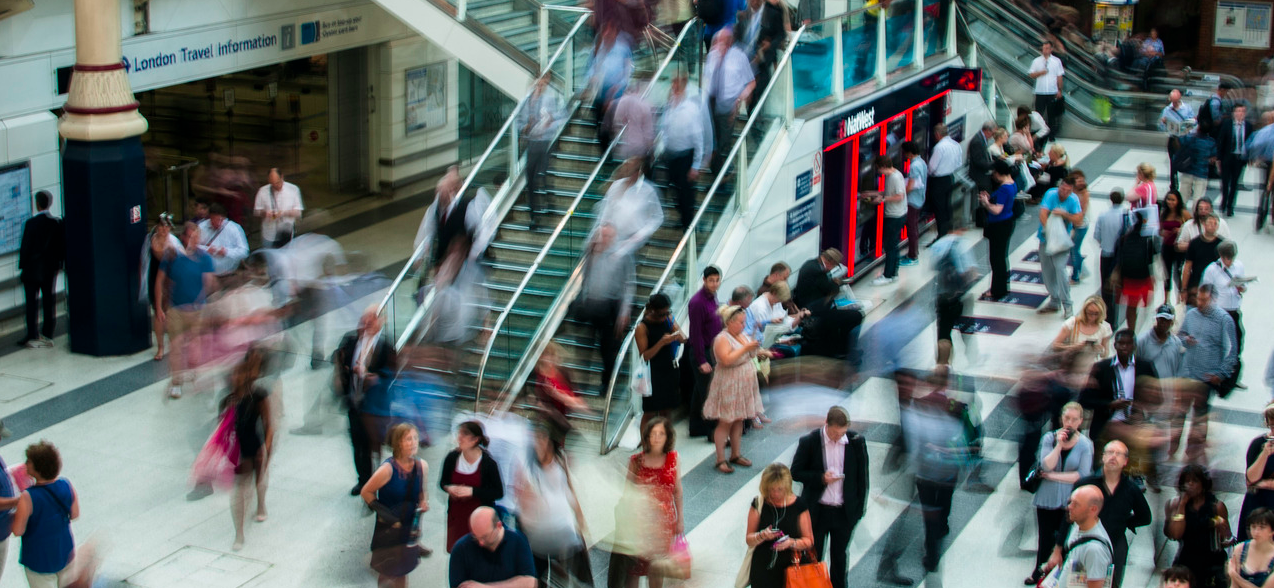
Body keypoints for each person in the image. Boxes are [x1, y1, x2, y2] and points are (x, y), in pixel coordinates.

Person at [1050, 441, 1152, 588]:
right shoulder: (1086, 484)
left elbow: (1145, 517)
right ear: (1103, 457)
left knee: (1112, 583)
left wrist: (1126, 521)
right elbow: (1069, 517)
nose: (1113, 457)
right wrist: (1058, 549)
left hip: (1115, 543)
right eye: (1110, 452)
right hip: (1085, 542)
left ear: (1125, 461)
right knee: (1077, 584)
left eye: (1119, 454)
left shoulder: (1131, 489)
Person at [790, 406, 869, 588]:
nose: (838, 437)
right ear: (827, 424)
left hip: (844, 512)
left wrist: (858, 512)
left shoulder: (856, 442)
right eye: (834, 433)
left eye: (842, 433)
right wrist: (820, 478)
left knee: (840, 557)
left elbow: (862, 479)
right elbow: (796, 472)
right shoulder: (810, 442)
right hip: (818, 511)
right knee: (812, 556)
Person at [325, 308, 397, 494]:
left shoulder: (385, 346)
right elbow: (337, 357)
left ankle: (378, 480)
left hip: (374, 406)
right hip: (354, 401)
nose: (367, 323)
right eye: (364, 319)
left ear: (381, 321)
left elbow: (392, 374)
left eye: (372, 319)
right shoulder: (350, 340)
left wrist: (372, 377)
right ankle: (363, 480)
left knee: (374, 445)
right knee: (357, 443)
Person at [1026, 402, 1094, 585]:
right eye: (1066, 418)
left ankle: (1059, 574)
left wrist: (1052, 476)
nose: (1069, 423)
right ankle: (1039, 570)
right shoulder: (1049, 438)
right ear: (1061, 418)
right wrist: (1059, 445)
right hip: (1046, 497)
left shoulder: (1085, 445)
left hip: (1069, 500)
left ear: (1080, 421)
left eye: (1074, 419)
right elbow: (1046, 463)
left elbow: (1082, 475)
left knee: (1063, 539)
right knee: (1044, 537)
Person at [516, 425, 592, 588]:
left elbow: (569, 489)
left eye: (543, 439)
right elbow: (523, 499)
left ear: (550, 441)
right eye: (536, 439)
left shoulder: (560, 460)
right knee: (540, 575)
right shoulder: (528, 467)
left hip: (563, 528)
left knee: (572, 574)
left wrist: (580, 517)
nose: (540, 443)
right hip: (539, 532)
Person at [703, 305, 771, 473]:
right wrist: (746, 348)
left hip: (744, 382)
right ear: (729, 322)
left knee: (739, 419)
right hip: (729, 382)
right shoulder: (722, 338)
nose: (743, 325)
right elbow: (726, 360)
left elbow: (749, 354)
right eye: (740, 322)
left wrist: (759, 351)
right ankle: (720, 459)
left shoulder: (742, 335)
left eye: (744, 322)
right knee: (725, 421)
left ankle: (735, 453)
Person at [361, 423, 429, 587]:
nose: (413, 443)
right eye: (408, 439)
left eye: (415, 438)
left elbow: (422, 493)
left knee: (403, 572)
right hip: (388, 531)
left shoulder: (422, 466)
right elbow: (366, 492)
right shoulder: (387, 469)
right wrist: (386, 515)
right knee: (387, 572)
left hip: (407, 529)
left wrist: (423, 502)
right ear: (398, 443)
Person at [620, 417, 684, 588]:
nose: (656, 438)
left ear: (667, 437)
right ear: (646, 437)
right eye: (653, 434)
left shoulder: (673, 458)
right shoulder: (636, 461)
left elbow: (677, 491)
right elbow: (627, 493)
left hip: (663, 526)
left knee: (657, 568)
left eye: (661, 434)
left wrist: (680, 519)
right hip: (639, 524)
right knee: (634, 568)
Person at [156, 222, 218, 399]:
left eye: (197, 236)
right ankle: (176, 382)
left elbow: (209, 283)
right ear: (184, 237)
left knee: (196, 346)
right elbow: (160, 280)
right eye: (191, 236)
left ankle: (195, 371)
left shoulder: (204, 258)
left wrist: (201, 302)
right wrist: (160, 307)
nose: (194, 240)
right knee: (175, 347)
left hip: (198, 310)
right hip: (176, 309)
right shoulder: (172, 256)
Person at [1178, 284, 1239, 462]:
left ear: (1213, 299)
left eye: (1204, 300)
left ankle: (1193, 450)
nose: (1200, 303)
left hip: (1206, 378)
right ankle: (1173, 444)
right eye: (1198, 298)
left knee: (1200, 415)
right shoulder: (1191, 315)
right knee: (1179, 412)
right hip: (1188, 373)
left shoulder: (1224, 320)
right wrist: (1185, 339)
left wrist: (1221, 373)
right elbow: (1180, 334)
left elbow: (1231, 351)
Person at [578, 223, 638, 396]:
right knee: (586, 344)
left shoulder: (622, 254)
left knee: (607, 347)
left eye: (607, 236)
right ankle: (583, 383)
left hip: (611, 305)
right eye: (602, 235)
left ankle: (607, 384)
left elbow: (629, 283)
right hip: (591, 303)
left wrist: (625, 311)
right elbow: (585, 276)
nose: (604, 239)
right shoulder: (592, 252)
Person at [224, 347, 274, 551]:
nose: (236, 377)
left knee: (259, 479)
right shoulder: (228, 400)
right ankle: (239, 533)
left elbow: (268, 425)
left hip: (255, 444)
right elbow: (223, 429)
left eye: (240, 373)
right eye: (234, 374)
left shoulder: (258, 395)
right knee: (238, 490)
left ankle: (261, 503)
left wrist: (267, 448)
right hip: (238, 449)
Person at [12, 441, 78, 588]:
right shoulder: (66, 484)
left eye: (28, 461)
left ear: (37, 468)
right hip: (64, 552)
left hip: (39, 559)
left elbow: (18, 530)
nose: (25, 464)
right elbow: (75, 514)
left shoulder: (28, 497)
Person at [1080, 330, 1158, 447]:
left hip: (1135, 428)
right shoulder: (1101, 368)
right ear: (1114, 345)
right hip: (1106, 427)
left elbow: (1156, 395)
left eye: (1128, 344)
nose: (1124, 347)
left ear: (1134, 345)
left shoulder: (1145, 367)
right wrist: (1110, 404)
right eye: (1121, 343)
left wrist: (1142, 411)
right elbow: (1085, 399)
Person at [743, 464, 814, 588]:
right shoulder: (758, 504)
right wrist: (762, 535)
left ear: (786, 487)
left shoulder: (799, 506)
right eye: (771, 489)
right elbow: (749, 539)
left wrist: (792, 543)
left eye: (779, 489)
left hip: (792, 568)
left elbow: (809, 540)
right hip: (762, 568)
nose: (775, 494)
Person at [412, 166, 493, 272]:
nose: (440, 196)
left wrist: (474, 254)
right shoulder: (435, 208)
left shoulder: (468, 205)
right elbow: (427, 232)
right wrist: (419, 256)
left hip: (462, 262)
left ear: (453, 190)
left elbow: (483, 230)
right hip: (444, 260)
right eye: (439, 192)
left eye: (443, 192)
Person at [440, 421, 505, 553]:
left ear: (475, 439)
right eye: (459, 434)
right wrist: (449, 488)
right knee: (458, 552)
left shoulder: (488, 463)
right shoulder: (452, 458)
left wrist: (472, 491)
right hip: (457, 516)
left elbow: (498, 492)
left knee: (477, 552)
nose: (459, 438)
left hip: (480, 519)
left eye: (464, 435)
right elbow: (443, 482)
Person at [660, 71, 710, 231]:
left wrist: (696, 165)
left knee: (686, 193)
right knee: (675, 190)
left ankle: (689, 225)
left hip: (686, 156)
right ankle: (683, 219)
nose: (673, 87)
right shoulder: (670, 105)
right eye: (673, 84)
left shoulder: (690, 109)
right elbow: (664, 128)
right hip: (671, 155)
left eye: (676, 84)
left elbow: (698, 138)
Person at [1165, 465, 1231, 588]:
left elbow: (1226, 536)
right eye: (1187, 481)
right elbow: (1175, 534)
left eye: (1194, 481)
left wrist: (1221, 527)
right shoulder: (1175, 504)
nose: (1190, 484)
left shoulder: (1216, 506)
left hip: (1212, 562)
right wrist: (1182, 505)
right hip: (1187, 559)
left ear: (1203, 484)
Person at [1040, 486, 1113, 588]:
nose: (1069, 507)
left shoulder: (1095, 550)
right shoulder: (1077, 525)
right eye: (1070, 502)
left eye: (1076, 504)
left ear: (1093, 509)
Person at [17, 191, 63, 350]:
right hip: (50, 270)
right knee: (48, 300)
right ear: (49, 203)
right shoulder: (56, 223)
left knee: (31, 303)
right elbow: (60, 247)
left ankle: (32, 333)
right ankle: (48, 332)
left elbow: (25, 248)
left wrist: (22, 266)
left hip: (32, 270)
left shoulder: (31, 224)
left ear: (37, 204)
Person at [448, 507, 536, 588]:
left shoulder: (518, 540)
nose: (480, 542)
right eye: (475, 536)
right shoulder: (461, 548)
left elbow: (530, 583)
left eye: (484, 537)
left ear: (498, 526)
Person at [704, 29, 755, 169]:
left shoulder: (739, 57)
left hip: (730, 104)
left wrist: (740, 100)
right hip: (711, 102)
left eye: (723, 40)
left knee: (723, 143)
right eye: (718, 40)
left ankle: (722, 172)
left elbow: (751, 82)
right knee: (713, 141)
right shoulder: (712, 55)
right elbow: (707, 79)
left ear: (730, 41)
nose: (719, 44)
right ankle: (718, 170)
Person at [635, 294, 685, 432]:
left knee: (667, 410)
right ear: (653, 311)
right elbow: (645, 356)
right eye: (662, 313)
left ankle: (666, 445)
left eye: (668, 312)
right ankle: (646, 448)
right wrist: (661, 343)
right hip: (652, 373)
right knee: (650, 412)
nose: (665, 316)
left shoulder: (668, 320)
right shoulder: (642, 327)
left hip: (668, 369)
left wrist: (674, 326)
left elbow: (683, 339)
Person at [1199, 239, 1246, 383]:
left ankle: (1232, 377)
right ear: (1221, 255)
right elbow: (1205, 290)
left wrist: (1242, 288)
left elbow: (1243, 285)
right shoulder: (1212, 270)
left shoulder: (1239, 266)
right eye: (1227, 258)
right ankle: (1213, 374)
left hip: (1234, 310)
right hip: (1219, 313)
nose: (1230, 261)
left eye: (1232, 258)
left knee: (1237, 341)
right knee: (1218, 345)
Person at [1037, 174, 1084, 318]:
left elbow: (1078, 219)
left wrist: (1065, 214)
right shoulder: (1051, 194)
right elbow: (1043, 214)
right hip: (1046, 239)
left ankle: (1067, 303)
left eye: (1067, 191)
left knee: (1060, 269)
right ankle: (1054, 299)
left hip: (1062, 241)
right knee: (1047, 270)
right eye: (1062, 190)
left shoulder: (1073, 200)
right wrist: (1050, 231)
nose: (1063, 193)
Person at [931, 227, 979, 367]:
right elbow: (970, 271)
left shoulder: (937, 245)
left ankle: (943, 362)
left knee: (944, 330)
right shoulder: (961, 244)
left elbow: (933, 268)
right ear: (959, 229)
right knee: (966, 328)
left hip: (942, 296)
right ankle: (972, 357)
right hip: (960, 296)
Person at [519, 73, 563, 223]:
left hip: (544, 142)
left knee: (543, 174)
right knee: (530, 178)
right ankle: (534, 215)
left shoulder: (548, 100)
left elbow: (557, 118)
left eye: (541, 86)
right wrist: (525, 127)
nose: (538, 88)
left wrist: (549, 122)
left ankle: (549, 203)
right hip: (532, 143)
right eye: (536, 85)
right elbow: (518, 122)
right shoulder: (526, 102)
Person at [687, 266, 724, 439]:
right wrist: (702, 359)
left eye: (717, 280)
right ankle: (713, 431)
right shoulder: (697, 302)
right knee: (709, 392)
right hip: (702, 351)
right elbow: (696, 334)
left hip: (713, 349)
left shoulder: (712, 297)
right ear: (704, 280)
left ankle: (696, 427)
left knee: (699, 389)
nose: (715, 284)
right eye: (711, 280)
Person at [140, 214, 182, 361]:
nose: (164, 229)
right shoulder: (150, 238)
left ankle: (174, 344)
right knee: (158, 311)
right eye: (162, 226)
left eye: (167, 226)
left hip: (170, 278)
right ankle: (160, 347)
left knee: (171, 312)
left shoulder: (174, 243)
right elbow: (144, 260)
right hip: (154, 275)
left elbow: (180, 264)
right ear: (157, 226)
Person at [979, 159, 1017, 301]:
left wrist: (986, 203)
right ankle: (1001, 287)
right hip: (1007, 222)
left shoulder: (1004, 189)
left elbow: (996, 210)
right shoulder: (1012, 184)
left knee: (996, 259)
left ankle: (997, 290)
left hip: (999, 225)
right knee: (1001, 257)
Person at [869, 155, 908, 286]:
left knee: (890, 246)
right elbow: (888, 192)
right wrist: (871, 193)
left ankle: (888, 275)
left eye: (879, 169)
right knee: (894, 245)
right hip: (899, 214)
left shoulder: (895, 177)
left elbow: (899, 196)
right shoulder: (895, 175)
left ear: (883, 167)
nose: (878, 172)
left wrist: (883, 200)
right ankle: (893, 273)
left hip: (894, 216)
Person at [1117, 210, 1158, 332]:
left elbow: (1120, 258)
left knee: (1131, 307)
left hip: (1129, 278)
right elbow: (1151, 260)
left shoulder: (1125, 238)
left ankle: (1131, 330)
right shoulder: (1148, 239)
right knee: (1146, 305)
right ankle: (1141, 330)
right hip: (1143, 277)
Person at [1238, 405, 1274, 542]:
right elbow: (1251, 480)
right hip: (1258, 501)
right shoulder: (1258, 443)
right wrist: (1264, 454)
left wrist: (1266, 483)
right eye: (1271, 426)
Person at [1094, 189, 1128, 327]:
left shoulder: (1103, 216)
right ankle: (1118, 317)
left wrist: (1105, 242)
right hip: (1122, 256)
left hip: (1107, 254)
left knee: (1106, 289)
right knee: (1119, 287)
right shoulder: (1127, 215)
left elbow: (1097, 235)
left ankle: (1109, 320)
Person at [927, 123, 962, 239]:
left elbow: (931, 168)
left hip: (938, 181)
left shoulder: (939, 147)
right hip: (949, 179)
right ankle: (948, 231)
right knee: (947, 206)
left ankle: (941, 235)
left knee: (939, 209)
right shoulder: (956, 145)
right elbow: (959, 163)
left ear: (937, 134)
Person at [253, 168, 303, 248]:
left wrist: (283, 213)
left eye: (277, 183)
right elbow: (256, 211)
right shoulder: (262, 191)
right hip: (269, 234)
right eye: (272, 184)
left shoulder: (293, 189)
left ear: (282, 177)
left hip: (286, 233)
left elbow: (298, 212)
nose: (275, 186)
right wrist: (265, 213)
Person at [1180, 214, 1222, 306]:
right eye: (1210, 223)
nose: (1212, 225)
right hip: (1196, 283)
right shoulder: (1195, 243)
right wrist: (1184, 289)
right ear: (1204, 224)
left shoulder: (1221, 244)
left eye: (1215, 223)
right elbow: (1187, 266)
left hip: (1215, 286)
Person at [197, 203, 249, 276]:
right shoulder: (202, 227)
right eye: (213, 220)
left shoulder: (234, 228)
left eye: (219, 220)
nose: (217, 223)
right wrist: (206, 250)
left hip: (228, 272)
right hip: (206, 273)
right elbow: (193, 246)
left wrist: (226, 252)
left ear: (224, 218)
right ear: (210, 218)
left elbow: (244, 251)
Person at [1218, 103, 1252, 217]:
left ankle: (1230, 206)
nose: (1240, 114)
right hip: (1227, 157)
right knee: (1225, 182)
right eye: (1238, 111)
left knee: (1234, 183)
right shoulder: (1227, 124)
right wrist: (1219, 158)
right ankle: (1224, 202)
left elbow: (1250, 142)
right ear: (1234, 113)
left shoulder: (1248, 126)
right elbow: (1221, 141)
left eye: (1242, 111)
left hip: (1239, 158)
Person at [1161, 90, 1197, 191]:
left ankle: (1189, 185)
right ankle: (1173, 185)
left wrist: (1190, 123)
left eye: (1176, 101)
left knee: (1187, 162)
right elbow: (1161, 126)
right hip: (1173, 138)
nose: (1174, 104)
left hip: (1185, 138)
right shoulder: (1167, 110)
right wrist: (1163, 123)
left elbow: (1194, 122)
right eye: (1172, 101)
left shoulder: (1187, 108)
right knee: (1173, 162)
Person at [1029, 41, 1065, 143]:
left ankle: (1051, 135)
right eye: (1044, 48)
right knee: (1038, 114)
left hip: (1051, 91)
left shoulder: (1056, 61)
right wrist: (1041, 72)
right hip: (1040, 92)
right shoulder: (1036, 61)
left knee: (1051, 115)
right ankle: (1038, 133)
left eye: (1047, 48)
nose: (1045, 50)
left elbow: (1059, 76)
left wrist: (1059, 90)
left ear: (1051, 49)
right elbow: (1031, 74)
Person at [1229, 509, 1274, 588]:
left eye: (1262, 528)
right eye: (1253, 527)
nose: (1256, 532)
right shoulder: (1240, 549)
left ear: (1272, 531)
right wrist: (1234, 577)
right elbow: (1234, 585)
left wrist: (1235, 576)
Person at [1160, 190, 1191, 300]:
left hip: (1179, 248)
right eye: (1169, 199)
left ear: (1178, 201)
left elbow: (1191, 226)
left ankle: (1180, 297)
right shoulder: (1164, 213)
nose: (1170, 202)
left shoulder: (1183, 214)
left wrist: (1180, 230)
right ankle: (1166, 299)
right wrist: (1163, 233)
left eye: (1173, 200)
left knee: (1178, 272)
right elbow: (1159, 230)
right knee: (1166, 273)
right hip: (1166, 247)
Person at [1175, 126, 1220, 204]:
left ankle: (1181, 213)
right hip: (1202, 173)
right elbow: (1213, 158)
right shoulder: (1211, 142)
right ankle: (1196, 215)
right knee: (1198, 198)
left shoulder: (1189, 138)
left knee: (1183, 196)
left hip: (1187, 170)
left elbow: (1178, 142)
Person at [968, 121, 997, 194]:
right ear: (987, 131)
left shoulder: (982, 139)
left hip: (984, 175)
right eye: (993, 133)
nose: (993, 136)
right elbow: (978, 161)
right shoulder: (977, 141)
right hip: (980, 177)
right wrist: (993, 165)